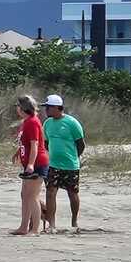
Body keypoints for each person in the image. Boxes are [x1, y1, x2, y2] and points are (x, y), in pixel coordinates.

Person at [42, 94, 86, 230]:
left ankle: (74, 221)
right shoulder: (47, 123)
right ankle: (52, 223)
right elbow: (46, 142)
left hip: (70, 165)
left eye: (48, 107)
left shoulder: (72, 123)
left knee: (72, 193)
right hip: (53, 164)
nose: (46, 110)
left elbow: (81, 144)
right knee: (50, 192)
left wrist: (74, 158)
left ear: (57, 107)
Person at [12, 94, 50, 236]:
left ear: (23, 107)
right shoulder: (25, 122)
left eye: (18, 106)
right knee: (25, 195)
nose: (16, 109)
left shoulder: (33, 122)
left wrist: (31, 165)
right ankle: (23, 227)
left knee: (32, 196)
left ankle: (35, 229)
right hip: (29, 162)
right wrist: (18, 152)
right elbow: (26, 142)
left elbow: (35, 146)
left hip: (38, 163)